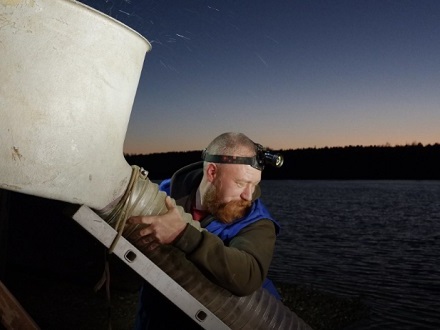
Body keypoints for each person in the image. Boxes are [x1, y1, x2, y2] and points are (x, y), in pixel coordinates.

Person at [127, 132, 283, 329]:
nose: (248, 195)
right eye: (241, 183)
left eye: (254, 185)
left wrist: (183, 234)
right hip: (155, 317)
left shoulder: (256, 220)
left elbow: (248, 275)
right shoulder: (165, 193)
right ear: (211, 172)